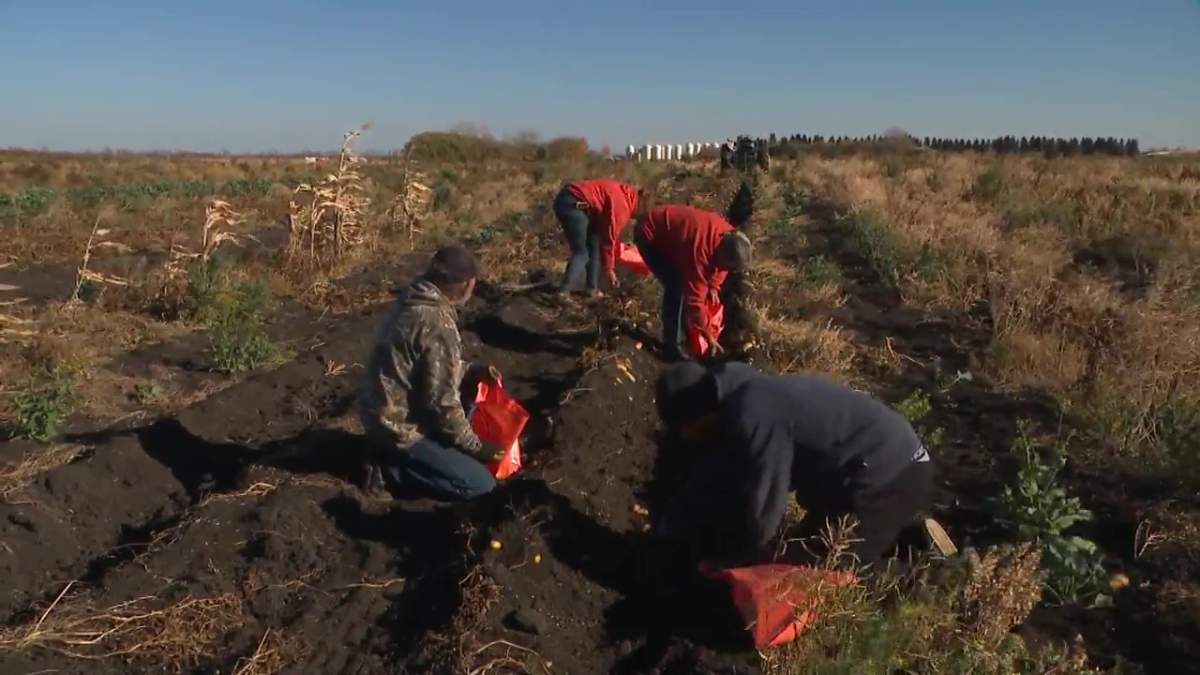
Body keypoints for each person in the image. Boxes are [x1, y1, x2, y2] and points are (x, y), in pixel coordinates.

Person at [654, 361, 936, 567]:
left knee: (823, 573)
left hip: (891, 476)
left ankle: (936, 575)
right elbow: (721, 474)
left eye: (686, 431)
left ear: (696, 415)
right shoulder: (741, 397)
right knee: (801, 549)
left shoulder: (753, 413)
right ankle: (908, 535)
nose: (690, 440)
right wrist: (673, 526)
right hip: (862, 474)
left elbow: (766, 507)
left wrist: (736, 560)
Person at [357, 246, 503, 501]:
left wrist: (471, 371)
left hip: (380, 408)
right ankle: (390, 471)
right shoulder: (436, 323)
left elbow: (426, 367)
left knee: (468, 401)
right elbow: (442, 404)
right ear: (467, 285)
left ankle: (397, 455)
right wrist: (476, 448)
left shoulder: (414, 298)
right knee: (481, 486)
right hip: (398, 427)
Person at [634, 204, 751, 360]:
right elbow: (695, 302)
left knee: (684, 287)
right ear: (720, 252)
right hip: (650, 235)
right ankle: (672, 345)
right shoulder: (700, 252)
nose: (724, 268)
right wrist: (709, 336)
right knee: (676, 287)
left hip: (676, 237)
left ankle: (686, 326)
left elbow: (723, 268)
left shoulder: (728, 235)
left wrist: (714, 286)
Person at [552, 179, 643, 297]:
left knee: (594, 245)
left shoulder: (626, 195)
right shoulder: (623, 206)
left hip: (585, 208)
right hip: (572, 203)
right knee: (582, 252)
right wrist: (609, 269)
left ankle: (592, 289)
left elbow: (605, 236)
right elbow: (609, 238)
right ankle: (563, 292)